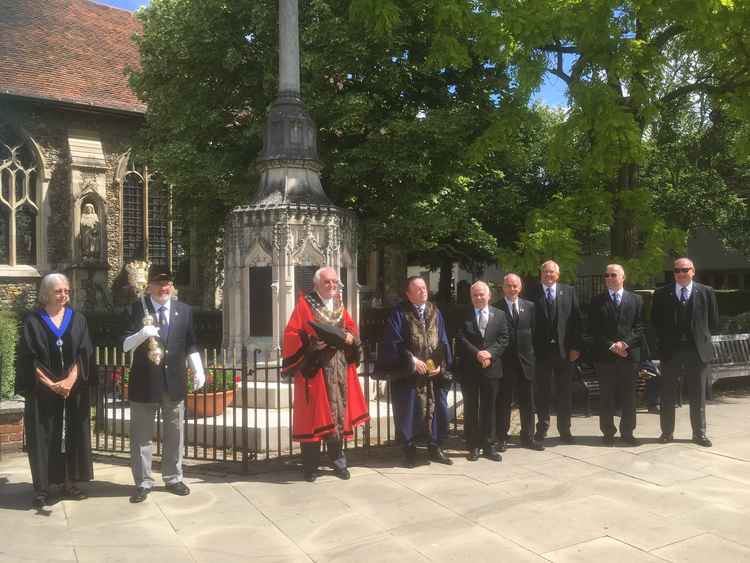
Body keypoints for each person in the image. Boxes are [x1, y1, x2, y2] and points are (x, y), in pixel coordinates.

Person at [123, 265, 205, 503]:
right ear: (148, 286)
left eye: (167, 282)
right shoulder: (135, 309)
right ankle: (143, 482)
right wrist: (141, 334)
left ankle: (173, 477)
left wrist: (197, 368)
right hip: (144, 382)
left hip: (174, 381)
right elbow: (123, 344)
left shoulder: (184, 311)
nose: (164, 287)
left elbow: (190, 343)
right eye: (158, 283)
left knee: (175, 433)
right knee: (141, 437)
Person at [15, 273, 95, 509]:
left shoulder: (78, 319)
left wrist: (69, 381)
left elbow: (84, 353)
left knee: (72, 435)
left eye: (67, 291)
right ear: (46, 293)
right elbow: (28, 359)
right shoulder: (32, 321)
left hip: (72, 391)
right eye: (59, 291)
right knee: (43, 438)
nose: (64, 295)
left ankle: (69, 482)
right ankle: (42, 488)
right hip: (43, 392)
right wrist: (51, 385)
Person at [282, 266, 369, 482]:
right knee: (314, 418)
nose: (332, 286)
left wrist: (351, 338)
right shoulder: (304, 304)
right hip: (316, 371)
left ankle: (338, 462)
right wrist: (312, 344)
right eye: (327, 282)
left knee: (338, 414)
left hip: (339, 369)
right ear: (316, 285)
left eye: (334, 282)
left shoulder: (338, 303)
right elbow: (291, 333)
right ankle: (310, 467)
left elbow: (350, 327)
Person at [380, 276, 453, 467]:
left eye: (424, 288)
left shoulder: (435, 312)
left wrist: (440, 364)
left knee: (437, 410)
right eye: (418, 289)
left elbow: (444, 340)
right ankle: (409, 451)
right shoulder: (399, 313)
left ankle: (435, 447)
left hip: (432, 374)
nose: (423, 291)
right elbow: (392, 343)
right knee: (409, 412)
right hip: (409, 375)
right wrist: (412, 361)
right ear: (408, 294)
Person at [651, 257, 718, 447]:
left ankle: (699, 433)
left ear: (693, 271)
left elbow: (713, 322)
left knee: (698, 394)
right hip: (670, 351)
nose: (680, 274)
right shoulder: (662, 293)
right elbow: (655, 321)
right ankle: (666, 432)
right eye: (677, 271)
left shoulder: (706, 292)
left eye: (685, 270)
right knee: (667, 394)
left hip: (697, 351)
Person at [588, 264, 645, 446]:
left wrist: (624, 344)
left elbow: (641, 327)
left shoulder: (636, 300)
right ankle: (608, 434)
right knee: (606, 397)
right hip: (605, 358)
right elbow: (593, 330)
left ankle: (628, 433)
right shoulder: (596, 301)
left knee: (629, 397)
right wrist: (612, 345)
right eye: (607, 275)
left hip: (629, 357)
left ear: (623, 277)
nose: (610, 278)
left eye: (614, 275)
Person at [529, 260, 583, 443]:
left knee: (564, 392)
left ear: (557, 275)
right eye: (545, 272)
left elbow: (576, 321)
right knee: (541, 392)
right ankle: (542, 427)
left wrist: (576, 347)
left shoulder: (569, 291)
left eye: (552, 272)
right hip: (540, 352)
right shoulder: (531, 293)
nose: (548, 275)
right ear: (540, 274)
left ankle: (565, 430)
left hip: (564, 352)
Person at [456, 281, 508, 461]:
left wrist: (489, 354)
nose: (478, 298)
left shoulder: (500, 315)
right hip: (470, 369)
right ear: (471, 297)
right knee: (471, 407)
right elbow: (461, 338)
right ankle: (473, 445)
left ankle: (489, 445)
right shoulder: (463, 314)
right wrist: (477, 354)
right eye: (474, 295)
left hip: (491, 369)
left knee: (489, 408)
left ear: (489, 296)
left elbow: (503, 338)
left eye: (481, 294)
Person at [497, 273, 544, 451]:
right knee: (504, 402)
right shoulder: (496, 308)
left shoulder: (530, 307)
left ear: (520, 287)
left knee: (528, 402)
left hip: (526, 363)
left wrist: (534, 358)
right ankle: (501, 437)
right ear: (503, 287)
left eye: (515, 286)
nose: (512, 289)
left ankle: (528, 437)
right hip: (505, 364)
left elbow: (536, 334)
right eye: (508, 285)